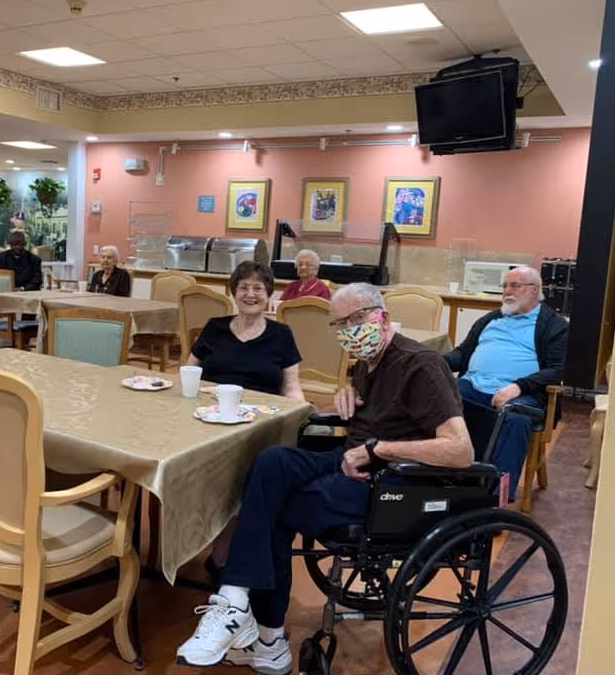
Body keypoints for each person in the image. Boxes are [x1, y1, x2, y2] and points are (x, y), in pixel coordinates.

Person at [176, 282, 473, 674]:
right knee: (272, 462)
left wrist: (379, 449)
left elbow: (460, 450)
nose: (350, 329)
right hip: (349, 461)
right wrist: (347, 397)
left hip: (390, 484)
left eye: (357, 318)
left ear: (381, 315)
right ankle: (236, 601)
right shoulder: (370, 362)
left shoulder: (421, 364)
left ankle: (265, 635)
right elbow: (379, 413)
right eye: (340, 324)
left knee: (275, 507)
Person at [444, 265, 567, 498]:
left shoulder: (554, 325)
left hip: (522, 394)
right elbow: (462, 354)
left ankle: (495, 500)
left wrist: (519, 386)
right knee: (442, 401)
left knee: (516, 420)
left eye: (515, 286)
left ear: (534, 290)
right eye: (505, 287)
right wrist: (433, 363)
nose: (507, 292)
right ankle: (444, 483)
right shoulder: (490, 320)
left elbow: (558, 369)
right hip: (473, 386)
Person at [188, 261, 303, 400]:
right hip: (209, 408)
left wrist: (299, 414)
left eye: (258, 288)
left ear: (268, 295)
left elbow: (291, 388)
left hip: (261, 411)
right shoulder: (214, 327)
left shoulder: (282, 334)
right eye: (243, 288)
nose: (250, 294)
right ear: (234, 293)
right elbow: (189, 373)